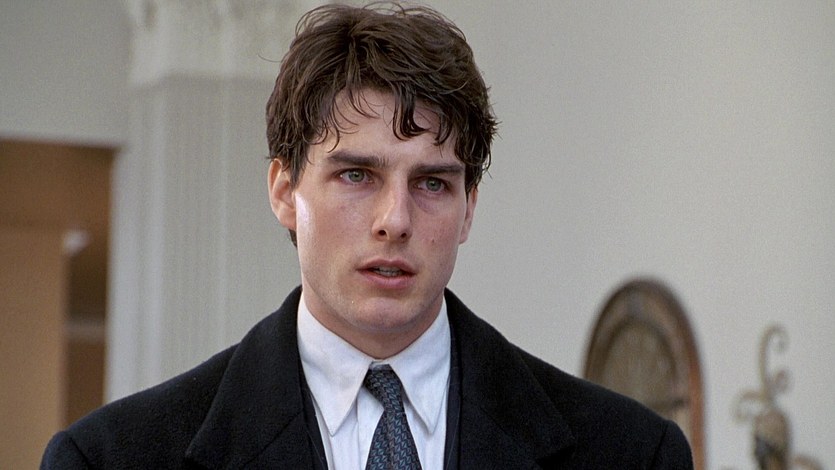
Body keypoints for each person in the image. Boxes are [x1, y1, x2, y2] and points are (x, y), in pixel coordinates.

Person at [42, 2, 693, 469]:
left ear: (468, 209)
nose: (395, 219)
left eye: (432, 183)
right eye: (357, 175)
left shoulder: (631, 453)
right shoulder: (112, 457)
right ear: (283, 191)